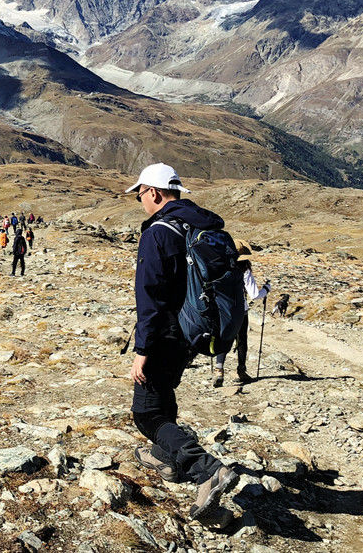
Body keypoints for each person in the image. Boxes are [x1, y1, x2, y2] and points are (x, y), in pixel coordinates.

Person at [125, 163, 239, 521]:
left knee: (146, 413)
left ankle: (207, 469)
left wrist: (141, 350)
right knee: (164, 394)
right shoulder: (197, 225)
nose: (140, 200)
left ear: (155, 193)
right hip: (193, 330)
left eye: (141, 193)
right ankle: (171, 461)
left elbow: (151, 297)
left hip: (165, 332)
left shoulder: (158, 231)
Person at [213, 240, 270, 386]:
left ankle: (219, 369)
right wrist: (267, 289)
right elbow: (254, 295)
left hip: (222, 309)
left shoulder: (219, 267)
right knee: (241, 339)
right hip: (240, 310)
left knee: (223, 338)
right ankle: (241, 370)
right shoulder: (244, 270)